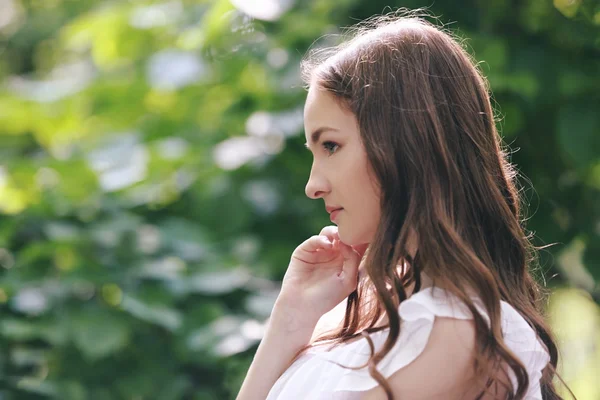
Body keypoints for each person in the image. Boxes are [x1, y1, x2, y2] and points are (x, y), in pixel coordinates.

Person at [236, 11, 574, 400]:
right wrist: (290, 321)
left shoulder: (462, 333)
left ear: (406, 143)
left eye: (331, 145)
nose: (313, 186)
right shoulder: (359, 317)